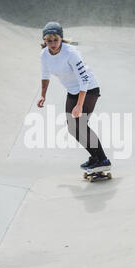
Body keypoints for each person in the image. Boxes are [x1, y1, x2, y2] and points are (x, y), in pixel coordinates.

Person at [37, 22, 111, 172]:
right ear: (44, 40)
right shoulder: (44, 55)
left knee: (81, 125)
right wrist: (43, 95)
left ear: (61, 38)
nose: (52, 44)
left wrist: (79, 105)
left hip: (88, 89)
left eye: (55, 40)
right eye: (48, 40)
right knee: (73, 128)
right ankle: (95, 157)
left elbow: (84, 79)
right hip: (72, 90)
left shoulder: (71, 53)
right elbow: (45, 76)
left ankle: (103, 159)